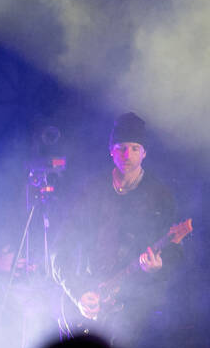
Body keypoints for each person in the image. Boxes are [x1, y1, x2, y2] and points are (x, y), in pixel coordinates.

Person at [52, 112, 183, 336]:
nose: (127, 155)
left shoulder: (160, 195)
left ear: (144, 153)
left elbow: (175, 254)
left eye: (134, 148)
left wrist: (159, 266)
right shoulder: (93, 190)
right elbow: (60, 248)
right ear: (111, 151)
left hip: (137, 306)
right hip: (92, 294)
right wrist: (78, 292)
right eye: (121, 147)